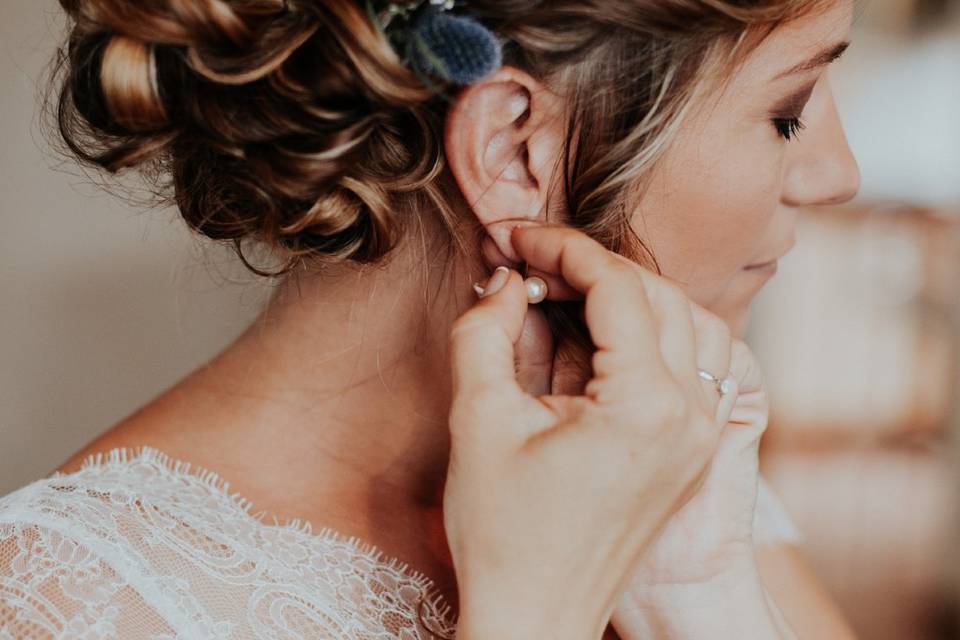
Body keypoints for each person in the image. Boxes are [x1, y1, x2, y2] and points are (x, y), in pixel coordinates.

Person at [0, 0, 861, 637]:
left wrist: (700, 596)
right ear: (515, 149)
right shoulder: (67, 604)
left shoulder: (661, 460)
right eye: (787, 114)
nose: (838, 173)